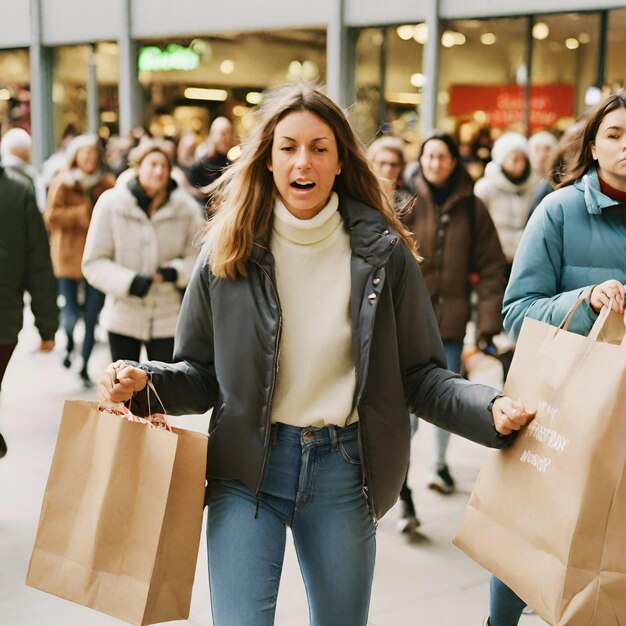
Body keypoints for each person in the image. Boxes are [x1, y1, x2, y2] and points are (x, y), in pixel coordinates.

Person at [97, 84, 534, 626]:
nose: (303, 161)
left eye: (319, 147)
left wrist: (488, 407)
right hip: (244, 468)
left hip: (343, 468)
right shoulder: (226, 250)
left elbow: (420, 375)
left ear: (339, 160)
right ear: (268, 159)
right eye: (288, 147)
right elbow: (202, 375)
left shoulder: (383, 252)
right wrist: (146, 383)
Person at [484, 90, 626, 626]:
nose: (625, 145)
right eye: (613, 134)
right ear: (591, 146)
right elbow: (517, 314)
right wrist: (586, 302)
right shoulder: (560, 210)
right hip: (563, 410)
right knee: (529, 538)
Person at [401, 131, 507, 509]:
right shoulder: (406, 201)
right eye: (429, 156)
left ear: (453, 161)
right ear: (422, 160)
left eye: (442, 157)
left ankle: (440, 464)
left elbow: (493, 267)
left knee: (446, 395)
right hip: (406, 320)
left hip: (450, 322)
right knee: (404, 404)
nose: (435, 163)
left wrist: (487, 325)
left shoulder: (472, 207)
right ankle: (402, 476)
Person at [82, 140, 201, 364]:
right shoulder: (111, 204)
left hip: (168, 317)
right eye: (153, 164)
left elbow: (198, 258)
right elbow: (93, 262)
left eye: (164, 166)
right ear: (137, 168)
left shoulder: (186, 208)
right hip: (123, 314)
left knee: (165, 392)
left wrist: (176, 272)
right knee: (125, 391)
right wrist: (129, 282)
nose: (159, 171)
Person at [45, 134, 115, 387]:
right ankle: (67, 342)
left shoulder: (107, 183)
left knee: (92, 313)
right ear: (76, 156)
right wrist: (82, 214)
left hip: (98, 257)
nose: (89, 158)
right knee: (71, 311)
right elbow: (51, 216)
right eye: (84, 153)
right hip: (68, 255)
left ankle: (84, 363)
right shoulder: (63, 182)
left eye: (93, 154)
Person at [0, 165, 58, 457]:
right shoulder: (18, 190)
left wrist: (48, 325)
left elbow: (37, 265)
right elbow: (38, 266)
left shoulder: (18, 191)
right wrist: (47, 326)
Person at [474, 131, 534, 271]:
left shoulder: (533, 186)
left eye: (522, 159)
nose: (519, 164)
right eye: (514, 159)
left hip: (525, 260)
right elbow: (477, 224)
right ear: (502, 160)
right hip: (493, 260)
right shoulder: (486, 187)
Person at [367, 136, 413, 211]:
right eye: (382, 163)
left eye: (393, 164)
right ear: (371, 164)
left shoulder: (407, 200)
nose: (388, 169)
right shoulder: (362, 195)